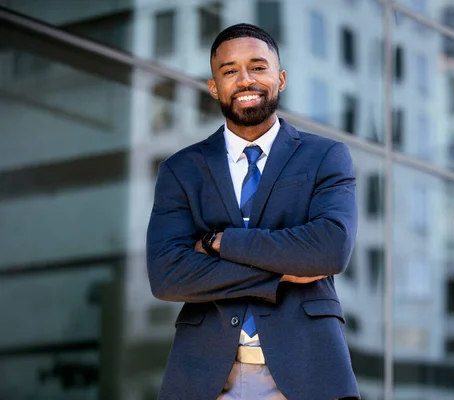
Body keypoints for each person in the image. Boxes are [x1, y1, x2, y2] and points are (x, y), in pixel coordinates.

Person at [146, 23, 359, 400]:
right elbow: (167, 275)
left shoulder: (325, 156)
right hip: (205, 376)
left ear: (281, 78)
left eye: (258, 67)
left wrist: (219, 241)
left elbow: (330, 250)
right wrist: (280, 274)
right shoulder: (181, 169)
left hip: (308, 371)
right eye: (230, 71)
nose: (245, 80)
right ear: (214, 87)